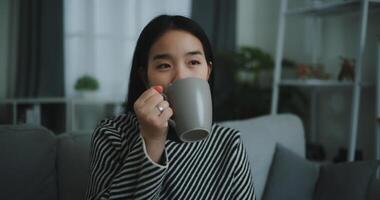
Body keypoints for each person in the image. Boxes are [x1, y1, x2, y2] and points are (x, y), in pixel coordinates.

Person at [86, 15, 255, 200]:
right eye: (164, 65)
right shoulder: (112, 134)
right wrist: (152, 142)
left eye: (193, 62)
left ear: (208, 71)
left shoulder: (228, 143)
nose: (181, 76)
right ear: (145, 77)